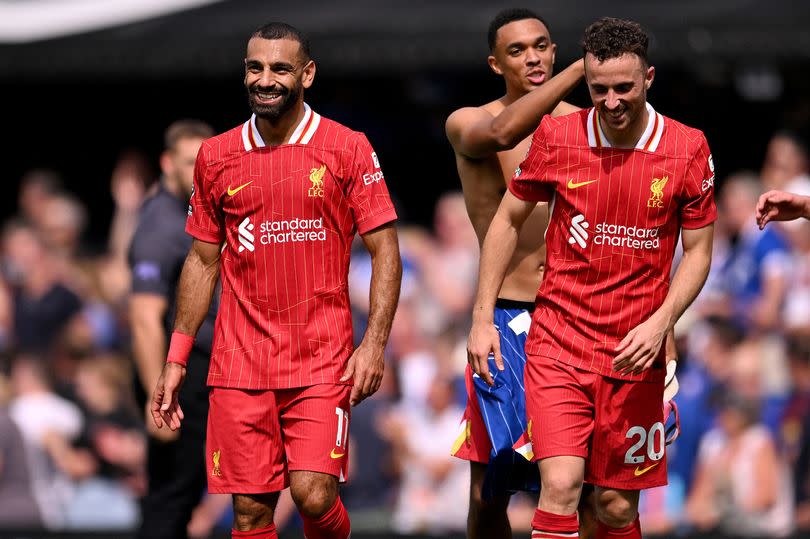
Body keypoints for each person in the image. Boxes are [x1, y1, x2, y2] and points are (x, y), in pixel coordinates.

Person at [151, 22, 401, 539]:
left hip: (321, 357)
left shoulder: (345, 147)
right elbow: (202, 262)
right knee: (249, 513)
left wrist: (373, 344)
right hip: (239, 362)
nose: (265, 79)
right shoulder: (216, 155)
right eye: (255, 67)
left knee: (313, 495)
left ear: (306, 75)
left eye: (280, 69)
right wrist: (176, 359)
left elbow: (385, 250)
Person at [467, 17, 715, 539]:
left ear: (650, 78)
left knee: (617, 508)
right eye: (598, 89)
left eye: (624, 87)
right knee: (558, 486)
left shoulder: (688, 148)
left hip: (634, 349)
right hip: (558, 342)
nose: (610, 101)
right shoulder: (558, 135)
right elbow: (508, 220)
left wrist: (662, 324)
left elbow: (697, 253)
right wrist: (481, 316)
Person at [445, 8, 585, 539]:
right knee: (491, 489)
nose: (534, 57)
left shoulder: (589, 125)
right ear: (494, 63)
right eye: (518, 50)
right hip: (506, 316)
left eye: (542, 46)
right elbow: (504, 131)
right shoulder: (468, 120)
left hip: (577, 315)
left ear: (553, 49)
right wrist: (580, 70)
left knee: (587, 486)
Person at [128, 119, 218, 539]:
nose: (198, 172)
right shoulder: (161, 226)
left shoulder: (194, 212)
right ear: (167, 164)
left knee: (188, 496)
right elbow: (145, 317)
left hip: (198, 373)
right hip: (180, 379)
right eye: (188, 162)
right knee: (171, 499)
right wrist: (156, 400)